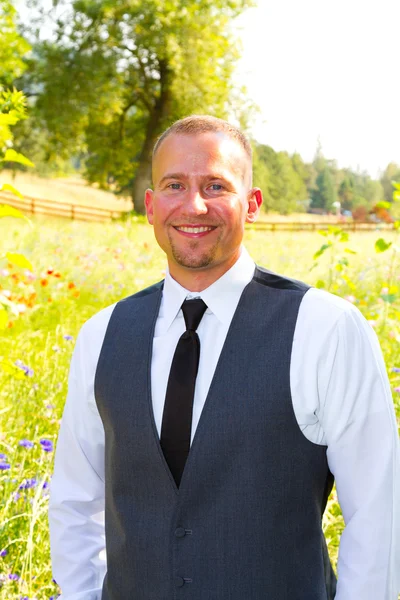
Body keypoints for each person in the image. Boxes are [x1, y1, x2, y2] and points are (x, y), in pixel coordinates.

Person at [49, 115, 400, 600]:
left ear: (252, 204)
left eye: (216, 185)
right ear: (151, 206)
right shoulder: (102, 334)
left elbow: (378, 514)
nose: (194, 204)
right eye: (174, 185)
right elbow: (74, 500)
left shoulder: (326, 328)